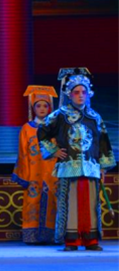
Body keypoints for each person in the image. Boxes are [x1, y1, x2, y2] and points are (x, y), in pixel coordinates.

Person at [38, 68, 115, 251]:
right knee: (69, 203)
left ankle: (90, 240)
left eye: (83, 92)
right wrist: (54, 151)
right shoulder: (60, 115)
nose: (80, 95)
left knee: (91, 203)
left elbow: (103, 142)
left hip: (91, 166)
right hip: (68, 166)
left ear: (88, 94)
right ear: (69, 95)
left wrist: (103, 166)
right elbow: (42, 132)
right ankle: (71, 240)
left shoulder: (94, 117)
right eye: (76, 92)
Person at [12, 85, 59, 244]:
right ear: (33, 108)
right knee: (33, 201)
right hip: (33, 172)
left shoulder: (55, 128)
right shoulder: (27, 129)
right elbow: (22, 153)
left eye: (45, 106)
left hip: (52, 172)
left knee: (53, 200)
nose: (42, 109)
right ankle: (32, 235)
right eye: (38, 106)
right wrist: (24, 175)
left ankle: (53, 234)